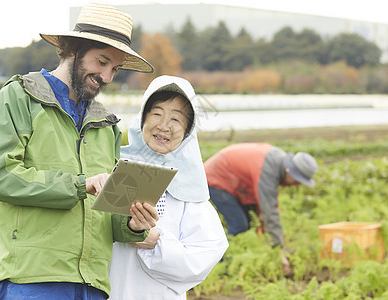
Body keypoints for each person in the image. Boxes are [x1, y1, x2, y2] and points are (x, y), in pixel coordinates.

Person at [0, 3, 158, 300]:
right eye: (101, 62)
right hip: (31, 278)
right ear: (73, 50)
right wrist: (78, 185)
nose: (106, 77)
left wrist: (132, 223)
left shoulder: (107, 124)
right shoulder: (19, 97)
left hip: (93, 284)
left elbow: (110, 209)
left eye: (115, 68)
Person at [108, 75, 229, 299]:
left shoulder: (190, 185)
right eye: (156, 113)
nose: (164, 126)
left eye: (176, 119)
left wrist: (158, 244)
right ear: (142, 118)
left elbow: (206, 253)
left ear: (188, 131)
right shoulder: (112, 167)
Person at [204, 143, 318, 274]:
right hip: (216, 178)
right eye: (298, 181)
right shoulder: (269, 170)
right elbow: (270, 212)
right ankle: (220, 265)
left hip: (233, 180)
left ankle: (235, 261)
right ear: (290, 172)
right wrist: (279, 250)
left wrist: (261, 213)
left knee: (247, 224)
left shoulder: (277, 161)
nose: (297, 185)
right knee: (240, 225)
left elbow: (262, 199)